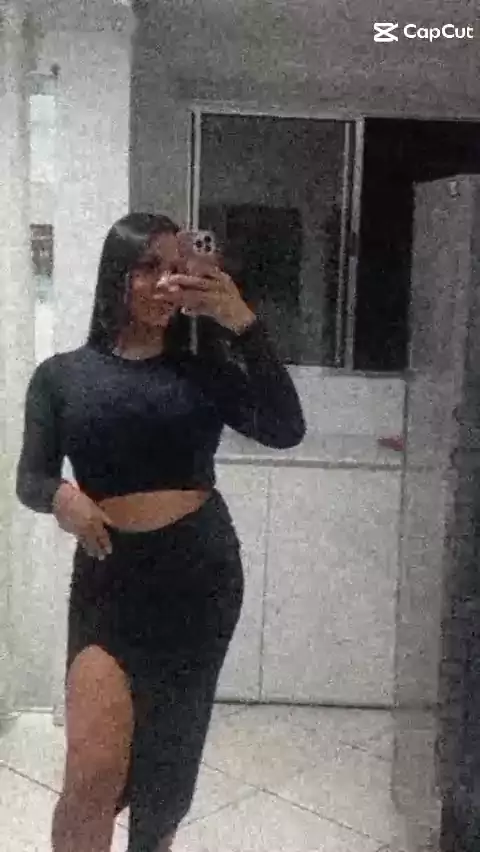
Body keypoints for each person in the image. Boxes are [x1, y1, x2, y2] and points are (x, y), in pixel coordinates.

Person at [16, 212, 306, 852]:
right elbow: (30, 478)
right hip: (109, 580)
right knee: (90, 776)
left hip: (198, 580)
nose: (164, 282)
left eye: (176, 268)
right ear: (116, 274)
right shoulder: (61, 377)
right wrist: (61, 497)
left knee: (165, 785)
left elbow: (287, 428)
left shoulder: (205, 369)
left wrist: (242, 322)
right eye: (148, 267)